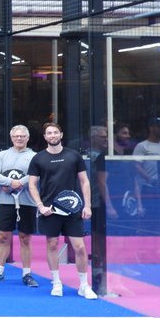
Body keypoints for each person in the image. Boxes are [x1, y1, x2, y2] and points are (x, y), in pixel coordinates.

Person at [27, 122, 98, 299]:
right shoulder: (38, 158)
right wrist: (40, 206)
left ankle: (84, 285)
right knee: (52, 245)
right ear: (45, 137)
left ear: (61, 134)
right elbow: (32, 185)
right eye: (49, 133)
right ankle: (56, 283)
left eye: (55, 132)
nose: (52, 135)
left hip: (73, 210)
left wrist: (87, 205)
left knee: (80, 247)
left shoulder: (74, 156)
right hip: (49, 211)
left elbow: (84, 182)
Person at [0, 124, 39, 286]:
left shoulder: (34, 156)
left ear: (27, 138)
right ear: (11, 138)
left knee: (25, 238)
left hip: (27, 203)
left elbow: (35, 175)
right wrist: (11, 182)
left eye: (22, 136)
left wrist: (18, 184)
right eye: (16, 136)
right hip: (6, 203)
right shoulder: (2, 155)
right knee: (3, 237)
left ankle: (27, 273)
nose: (19, 139)